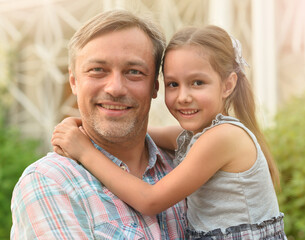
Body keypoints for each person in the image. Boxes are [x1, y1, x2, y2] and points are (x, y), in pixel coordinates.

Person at [52, 25, 287, 239]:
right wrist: (87, 124)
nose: (183, 97)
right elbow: (137, 132)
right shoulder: (196, 136)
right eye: (173, 84)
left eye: (197, 83)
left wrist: (84, 152)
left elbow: (150, 200)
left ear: (227, 85)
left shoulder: (223, 137)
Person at [10, 10, 187, 239]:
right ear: (74, 81)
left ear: (155, 86)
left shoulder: (185, 163)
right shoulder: (50, 181)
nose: (115, 88)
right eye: (97, 70)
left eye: (134, 72)